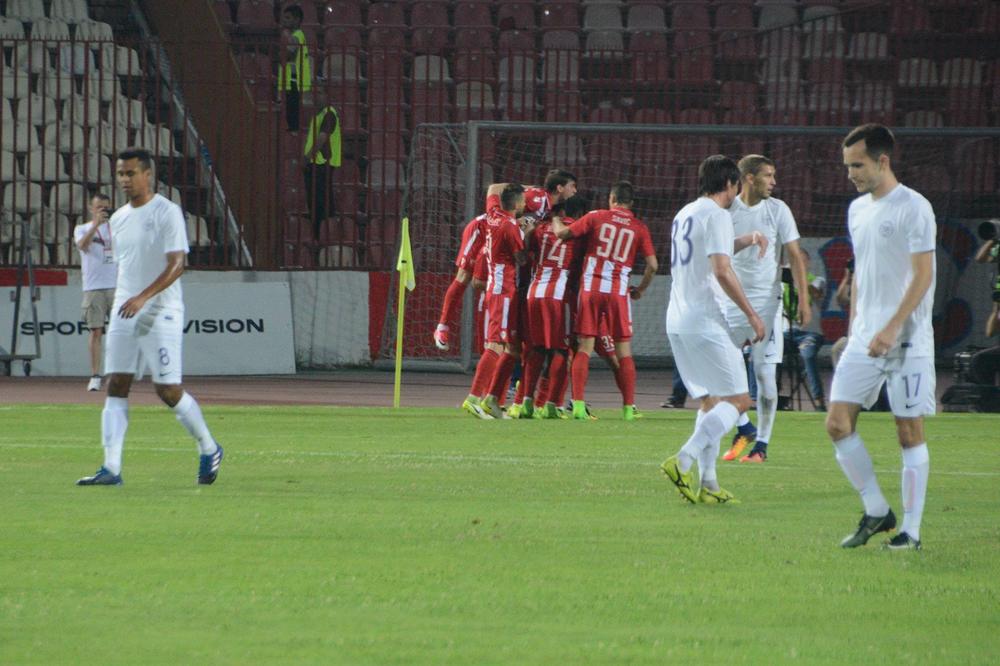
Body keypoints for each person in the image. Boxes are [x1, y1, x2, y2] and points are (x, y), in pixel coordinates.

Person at [76, 148, 224, 486]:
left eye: (130, 173)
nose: (124, 180)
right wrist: (125, 300)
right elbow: (126, 266)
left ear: (147, 175)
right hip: (126, 311)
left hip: (161, 311)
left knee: (167, 390)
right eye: (120, 174)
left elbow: (177, 264)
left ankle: (209, 447)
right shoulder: (119, 219)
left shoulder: (167, 212)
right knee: (116, 384)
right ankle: (111, 467)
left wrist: (144, 296)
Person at [826, 123, 936, 551]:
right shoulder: (857, 209)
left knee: (908, 432)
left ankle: (911, 531)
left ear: (882, 161)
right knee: (837, 424)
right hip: (864, 338)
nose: (850, 173)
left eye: (858, 165)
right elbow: (866, 274)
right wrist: (856, 326)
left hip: (906, 340)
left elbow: (924, 275)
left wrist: (892, 327)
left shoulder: (914, 207)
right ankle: (876, 509)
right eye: (847, 165)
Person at [660, 155, 767, 504]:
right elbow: (721, 269)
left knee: (711, 402)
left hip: (677, 319)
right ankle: (683, 459)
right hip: (704, 320)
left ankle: (709, 485)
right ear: (730, 184)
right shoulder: (719, 214)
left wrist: (746, 238)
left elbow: (709, 251)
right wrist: (751, 314)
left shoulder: (685, 213)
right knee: (739, 400)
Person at [720, 155, 812, 464]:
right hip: (730, 301)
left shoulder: (778, 210)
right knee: (720, 370)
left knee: (764, 373)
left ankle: (762, 445)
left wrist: (803, 299)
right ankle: (743, 427)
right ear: (748, 178)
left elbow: (796, 255)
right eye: (768, 176)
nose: (773, 182)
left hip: (767, 304)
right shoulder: (727, 209)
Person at [551, 181, 657, 421]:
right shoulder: (639, 227)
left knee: (584, 348)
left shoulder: (596, 216)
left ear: (612, 198)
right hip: (618, 294)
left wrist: (555, 219)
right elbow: (653, 265)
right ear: (631, 203)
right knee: (624, 352)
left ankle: (577, 405)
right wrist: (640, 289)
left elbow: (562, 234)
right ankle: (629, 408)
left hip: (591, 289)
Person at [461, 183, 531, 419]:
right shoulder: (510, 226)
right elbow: (522, 259)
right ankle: (473, 398)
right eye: (523, 201)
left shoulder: (492, 214)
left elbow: (492, 190)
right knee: (495, 345)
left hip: (494, 285)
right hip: (503, 290)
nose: (525, 204)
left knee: (499, 345)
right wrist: (528, 233)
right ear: (517, 203)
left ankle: (490, 400)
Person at [521, 194, 588, 418]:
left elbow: (525, 252)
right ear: (579, 214)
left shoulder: (540, 228)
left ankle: (527, 402)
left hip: (534, 291)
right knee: (561, 349)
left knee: (537, 348)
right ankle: (551, 405)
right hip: (558, 294)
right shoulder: (577, 230)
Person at [74, 193, 117, 392]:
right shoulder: (82, 228)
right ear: (92, 208)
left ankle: (118, 374)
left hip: (117, 285)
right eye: (99, 207)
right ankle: (95, 375)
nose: (103, 211)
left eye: (106, 208)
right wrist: (95, 225)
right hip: (93, 287)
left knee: (120, 332)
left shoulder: (116, 229)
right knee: (96, 331)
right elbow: (82, 246)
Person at [781, 249, 827, 411]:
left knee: (807, 354)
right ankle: (771, 397)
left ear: (807, 263)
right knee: (768, 353)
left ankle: (819, 400)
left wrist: (798, 279)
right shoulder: (782, 283)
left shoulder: (816, 280)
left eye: (801, 262)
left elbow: (816, 294)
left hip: (809, 333)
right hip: (786, 333)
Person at [303, 87, 341, 239]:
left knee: (322, 203)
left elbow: (322, 137)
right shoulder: (320, 115)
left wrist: (307, 157)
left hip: (321, 163)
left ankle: (323, 236)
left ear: (327, 95)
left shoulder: (328, 114)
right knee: (317, 202)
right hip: (317, 164)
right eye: (314, 93)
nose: (315, 97)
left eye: (319, 93)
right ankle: (319, 235)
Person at [277, 4, 312, 132]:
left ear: (297, 20)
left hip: (294, 78)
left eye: (287, 18)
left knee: (292, 108)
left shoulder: (296, 35)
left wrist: (281, 53)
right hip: (292, 77)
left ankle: (294, 132)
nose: (284, 21)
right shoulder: (295, 35)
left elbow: (289, 55)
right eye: (284, 18)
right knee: (290, 107)